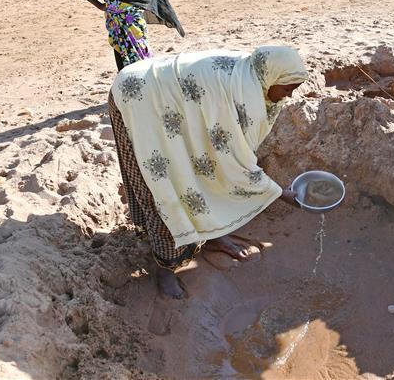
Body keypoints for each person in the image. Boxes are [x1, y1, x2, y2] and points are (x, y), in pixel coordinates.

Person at [108, 46, 308, 297]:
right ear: (271, 76)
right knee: (164, 188)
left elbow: (221, 161)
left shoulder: (254, 78)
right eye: (287, 88)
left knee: (206, 172)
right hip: (139, 99)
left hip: (176, 104)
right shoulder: (240, 94)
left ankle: (211, 235)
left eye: (294, 89)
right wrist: (281, 194)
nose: (289, 95)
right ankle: (165, 270)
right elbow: (237, 165)